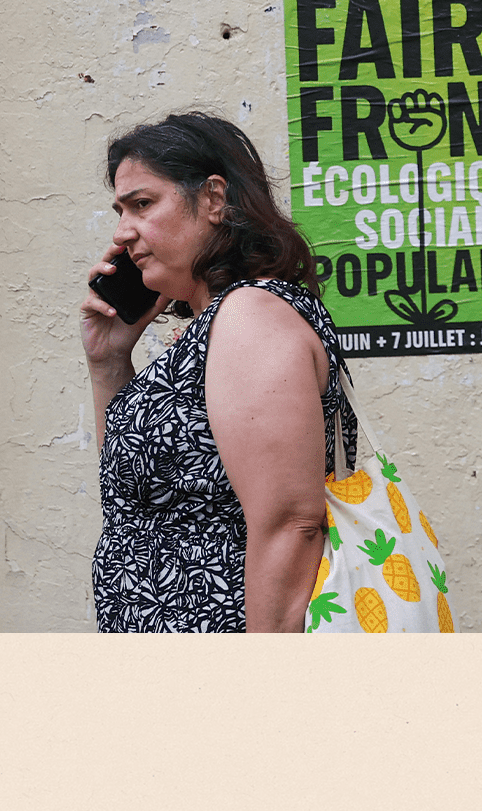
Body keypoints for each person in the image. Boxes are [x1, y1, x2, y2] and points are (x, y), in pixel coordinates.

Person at [80, 112, 355, 632]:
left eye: (142, 204)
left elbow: (291, 526)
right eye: (120, 210)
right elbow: (133, 501)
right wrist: (109, 362)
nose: (123, 233)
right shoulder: (216, 327)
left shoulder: (250, 315)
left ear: (213, 199)